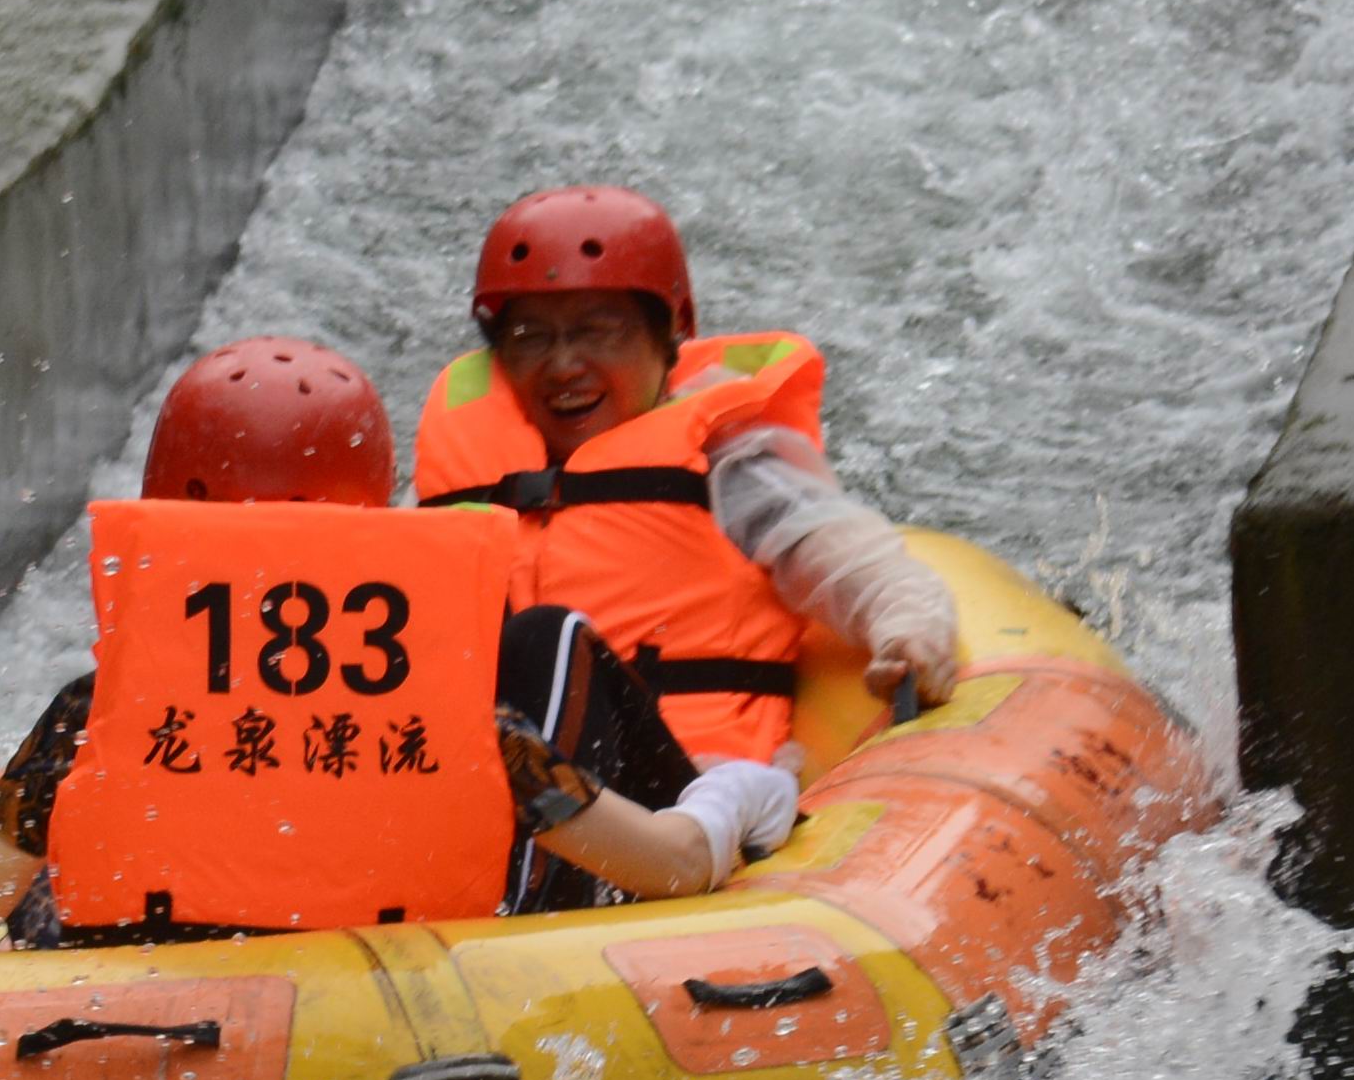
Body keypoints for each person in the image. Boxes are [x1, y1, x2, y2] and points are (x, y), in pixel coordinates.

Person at [0, 337, 792, 949]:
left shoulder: (87, 718)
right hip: (399, 1004)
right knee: (547, 639)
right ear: (374, 524)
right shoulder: (460, 727)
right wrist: (743, 788)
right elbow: (675, 868)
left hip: (131, 1018)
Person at [407, 184, 963, 779]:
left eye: (600, 331)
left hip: (685, 791)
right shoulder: (448, 492)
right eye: (531, 337)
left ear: (671, 337)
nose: (564, 366)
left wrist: (908, 633)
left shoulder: (728, 458)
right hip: (490, 791)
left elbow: (851, 560)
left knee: (546, 637)